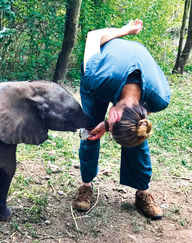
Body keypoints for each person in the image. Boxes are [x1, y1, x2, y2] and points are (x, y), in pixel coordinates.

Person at [72, 19, 170, 220]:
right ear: (114, 114)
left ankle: (143, 192)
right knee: (90, 130)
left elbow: (134, 121)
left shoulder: (159, 98)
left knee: (135, 134)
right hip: (107, 64)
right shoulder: (97, 76)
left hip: (135, 64)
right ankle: (86, 185)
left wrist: (109, 125)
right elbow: (94, 36)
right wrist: (125, 30)